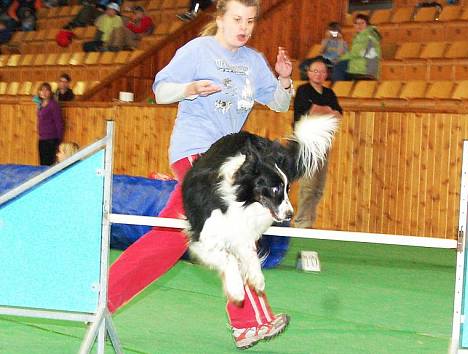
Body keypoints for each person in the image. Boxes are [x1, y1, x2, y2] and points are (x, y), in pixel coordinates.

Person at [107, 0, 294, 349]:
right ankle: (251, 321)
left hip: (230, 159)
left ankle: (101, 298)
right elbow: (160, 91)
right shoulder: (197, 50)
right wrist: (191, 89)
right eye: (237, 19)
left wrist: (284, 79)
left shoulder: (253, 62)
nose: (245, 27)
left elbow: (280, 104)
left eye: (251, 21)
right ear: (221, 18)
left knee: (168, 235)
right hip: (196, 154)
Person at [292, 57, 341, 228]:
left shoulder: (329, 93)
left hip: (323, 142)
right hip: (307, 142)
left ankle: (309, 221)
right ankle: (301, 223)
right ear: (309, 73)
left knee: (319, 185)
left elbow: (338, 114)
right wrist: (327, 110)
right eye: (315, 71)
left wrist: (323, 110)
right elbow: (311, 111)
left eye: (322, 71)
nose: (319, 74)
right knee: (309, 184)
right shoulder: (303, 91)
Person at [331, 13, 381, 81]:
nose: (359, 25)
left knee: (339, 66)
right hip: (360, 64)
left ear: (367, 24)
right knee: (337, 67)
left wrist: (339, 59)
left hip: (365, 68)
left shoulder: (368, 36)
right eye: (357, 23)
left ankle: (338, 88)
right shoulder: (361, 36)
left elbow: (356, 53)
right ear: (354, 25)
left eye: (362, 23)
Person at [35, 82, 64, 166]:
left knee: (49, 164)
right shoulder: (40, 105)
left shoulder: (53, 105)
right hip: (42, 138)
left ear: (50, 92)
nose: (44, 92)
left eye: (46, 90)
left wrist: (59, 139)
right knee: (42, 163)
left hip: (51, 139)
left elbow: (59, 122)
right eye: (41, 90)